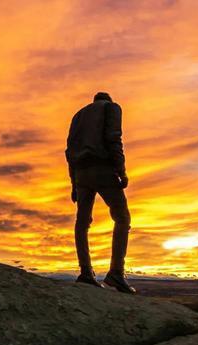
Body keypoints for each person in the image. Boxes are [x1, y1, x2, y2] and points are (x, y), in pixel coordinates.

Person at [65, 92, 135, 294]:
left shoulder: (77, 116)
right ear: (107, 99)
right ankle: (116, 273)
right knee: (122, 218)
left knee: (82, 221)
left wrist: (73, 184)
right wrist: (121, 171)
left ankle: (86, 272)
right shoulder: (111, 107)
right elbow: (114, 138)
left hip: (80, 174)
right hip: (102, 168)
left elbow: (69, 151)